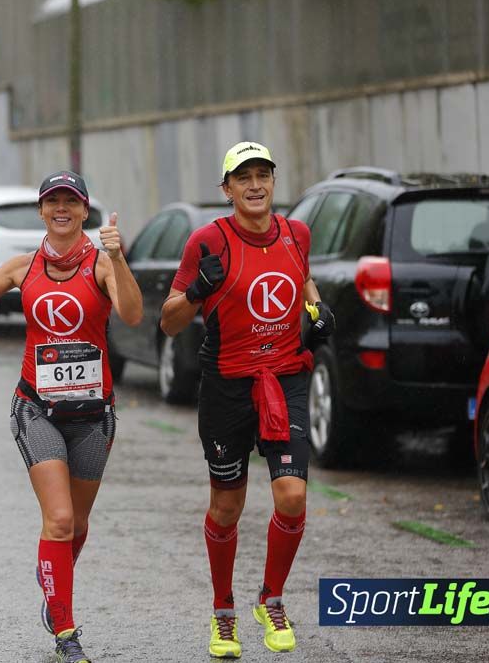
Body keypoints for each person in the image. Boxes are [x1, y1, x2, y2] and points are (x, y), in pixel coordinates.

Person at [0, 171, 143, 663]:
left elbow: (133, 315)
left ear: (85, 211)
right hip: (37, 408)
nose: (61, 209)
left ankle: (53, 578)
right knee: (59, 519)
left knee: (78, 524)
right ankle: (66, 634)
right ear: (41, 211)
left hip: (93, 413)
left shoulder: (101, 265)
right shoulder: (21, 267)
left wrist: (118, 258)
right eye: (53, 202)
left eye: (71, 202)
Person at [160, 142, 335, 658]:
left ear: (273, 181)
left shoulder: (297, 233)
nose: (255, 185)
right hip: (226, 386)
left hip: (285, 380)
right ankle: (223, 611)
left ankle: (271, 598)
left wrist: (318, 309)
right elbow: (168, 322)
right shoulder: (207, 241)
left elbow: (304, 278)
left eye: (263, 175)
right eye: (243, 177)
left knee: (293, 497)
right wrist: (197, 291)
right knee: (227, 506)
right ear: (227, 189)